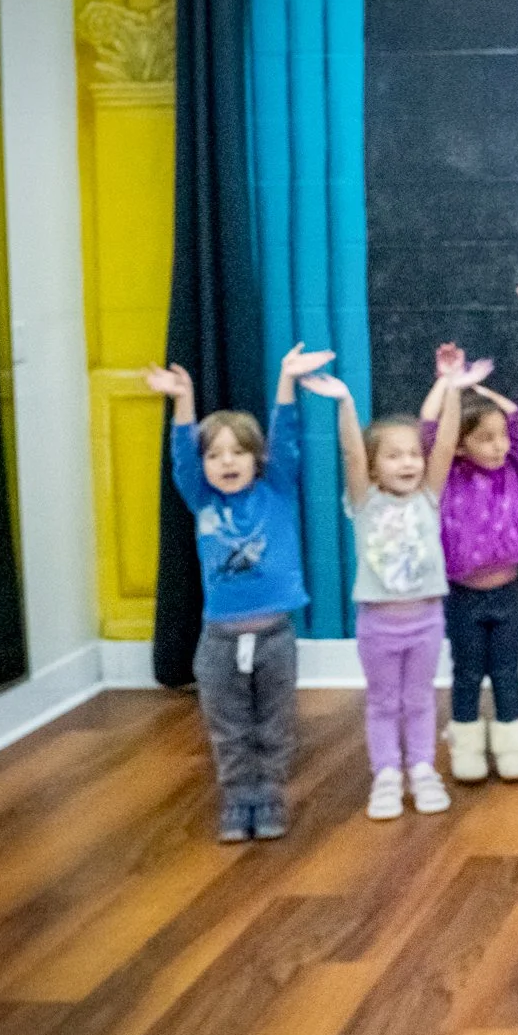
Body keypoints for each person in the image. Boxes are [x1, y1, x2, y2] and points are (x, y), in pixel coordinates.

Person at [147, 343, 331, 842]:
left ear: (257, 458)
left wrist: (287, 380)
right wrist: (182, 399)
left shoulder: (276, 491)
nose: (226, 462)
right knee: (228, 726)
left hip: (274, 637)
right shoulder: (201, 498)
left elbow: (287, 438)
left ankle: (269, 794)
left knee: (274, 722)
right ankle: (237, 798)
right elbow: (181, 457)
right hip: (219, 641)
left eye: (237, 451)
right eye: (215, 454)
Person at [303, 364, 470, 818]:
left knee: (418, 700)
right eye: (394, 455)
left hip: (427, 622)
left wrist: (453, 389)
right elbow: (352, 455)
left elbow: (448, 443)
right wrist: (345, 402)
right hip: (379, 625)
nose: (410, 462)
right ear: (375, 468)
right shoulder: (366, 502)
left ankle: (422, 769)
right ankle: (387, 775)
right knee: (382, 703)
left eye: (414, 453)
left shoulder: (428, 497)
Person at [421, 350, 518, 784]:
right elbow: (431, 430)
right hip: (464, 596)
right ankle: (466, 746)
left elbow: (517, 420)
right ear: (463, 444)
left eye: (500, 437)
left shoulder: (512, 467)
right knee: (467, 673)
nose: (499, 445)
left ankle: (511, 744)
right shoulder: (447, 473)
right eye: (485, 438)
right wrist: (448, 384)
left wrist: (479, 389)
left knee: (507, 672)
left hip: (508, 593)